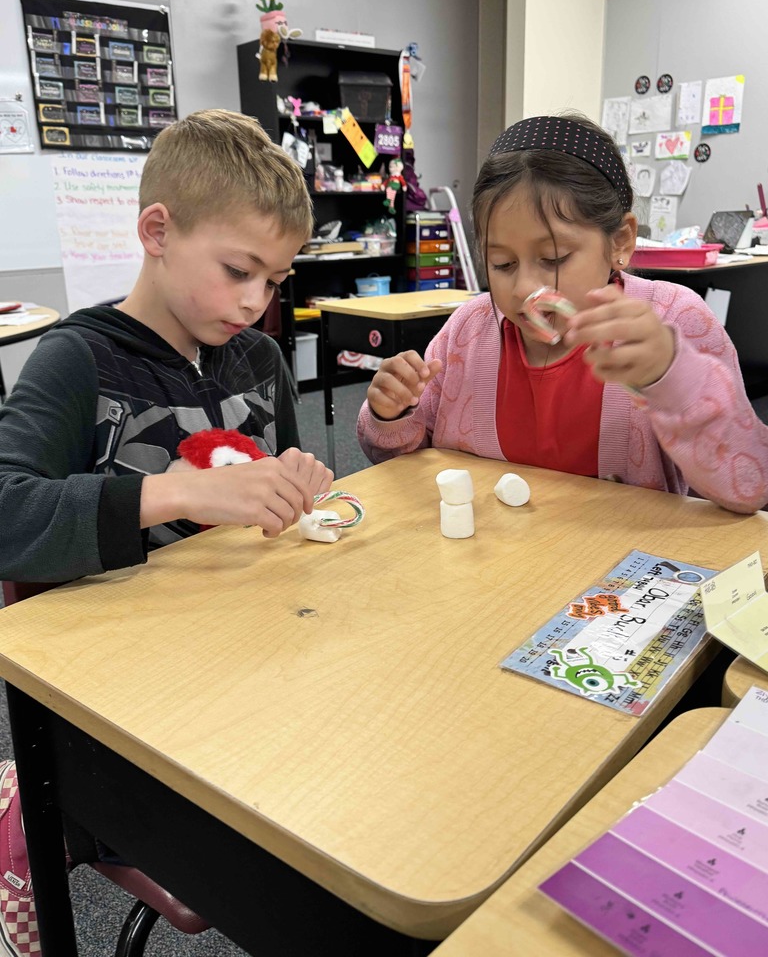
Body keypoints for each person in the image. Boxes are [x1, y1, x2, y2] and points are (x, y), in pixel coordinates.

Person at [0, 109, 333, 947]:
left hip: (258, 664)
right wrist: (170, 496)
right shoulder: (79, 361)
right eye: (238, 271)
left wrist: (298, 482)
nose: (258, 304)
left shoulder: (255, 359)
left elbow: (281, 476)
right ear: (158, 231)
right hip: (132, 713)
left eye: (276, 280)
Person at [357, 113, 768, 514]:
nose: (523, 289)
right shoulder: (466, 331)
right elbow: (398, 461)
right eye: (501, 264)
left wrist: (670, 375)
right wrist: (391, 414)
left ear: (620, 241)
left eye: (554, 258)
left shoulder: (674, 320)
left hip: (619, 570)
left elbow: (751, 489)